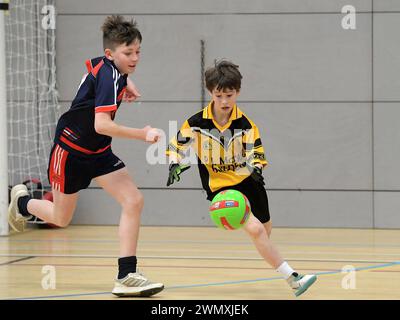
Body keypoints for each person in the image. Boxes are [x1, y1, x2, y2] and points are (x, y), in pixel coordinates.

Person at [8, 15, 164, 297]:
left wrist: (125, 81)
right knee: (60, 217)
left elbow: (93, 64)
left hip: (98, 151)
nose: (134, 58)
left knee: (133, 200)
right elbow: (101, 124)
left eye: (137, 51)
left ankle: (126, 274)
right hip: (70, 152)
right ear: (111, 53)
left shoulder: (109, 66)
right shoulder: (109, 74)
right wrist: (143, 134)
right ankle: (22, 204)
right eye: (128, 53)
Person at [166, 60, 317, 297]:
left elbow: (256, 151)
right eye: (219, 95)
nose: (225, 101)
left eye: (230, 94)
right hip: (220, 187)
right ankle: (294, 279)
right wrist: (174, 163)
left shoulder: (246, 124)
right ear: (210, 93)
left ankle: (270, 256)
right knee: (256, 231)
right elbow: (176, 144)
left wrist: (257, 166)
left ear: (238, 91)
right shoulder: (196, 123)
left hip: (248, 181)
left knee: (265, 230)